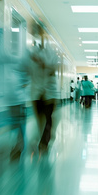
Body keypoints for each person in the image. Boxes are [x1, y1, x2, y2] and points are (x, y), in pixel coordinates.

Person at [28, 24, 59, 154]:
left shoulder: (51, 51)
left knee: (47, 117)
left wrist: (43, 63)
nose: (36, 34)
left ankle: (44, 142)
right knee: (39, 117)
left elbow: (54, 69)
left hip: (49, 91)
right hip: (36, 90)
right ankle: (43, 137)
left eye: (39, 31)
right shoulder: (31, 51)